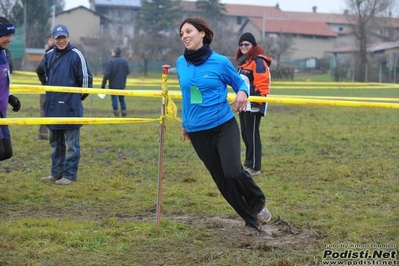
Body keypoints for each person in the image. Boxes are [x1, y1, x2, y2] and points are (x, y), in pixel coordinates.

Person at [176, 17, 271, 235]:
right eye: (182, 34)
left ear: (202, 33)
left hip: (222, 125)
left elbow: (240, 82)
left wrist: (241, 92)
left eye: (188, 31)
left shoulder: (219, 62)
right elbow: (188, 96)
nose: (185, 36)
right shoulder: (181, 63)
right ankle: (250, 221)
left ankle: (257, 200)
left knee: (233, 171)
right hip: (197, 131)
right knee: (221, 181)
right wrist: (185, 123)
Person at [40, 24, 92, 185]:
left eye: (63, 37)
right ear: (52, 39)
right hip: (53, 107)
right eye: (58, 38)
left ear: (68, 37)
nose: (61, 41)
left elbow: (86, 82)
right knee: (56, 143)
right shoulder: (48, 55)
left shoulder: (77, 55)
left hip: (70, 108)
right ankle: (56, 173)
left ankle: (69, 175)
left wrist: (74, 99)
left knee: (72, 145)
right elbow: (46, 76)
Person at [235, 32, 272, 176]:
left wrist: (257, 103)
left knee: (252, 134)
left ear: (253, 45)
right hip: (244, 104)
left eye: (246, 44)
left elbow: (262, 82)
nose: (243, 47)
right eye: (241, 44)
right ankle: (248, 164)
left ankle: (255, 167)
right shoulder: (245, 63)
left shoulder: (258, 61)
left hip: (254, 104)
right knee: (245, 134)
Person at [0, 17, 20, 161]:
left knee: (6, 152)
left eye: (11, 35)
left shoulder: (4, 54)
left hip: (1, 114)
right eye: (6, 35)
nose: (10, 39)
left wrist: (10, 97)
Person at [101, 46, 130, 117]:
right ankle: (124, 111)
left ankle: (116, 112)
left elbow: (107, 74)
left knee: (114, 98)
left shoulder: (110, 61)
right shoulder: (124, 60)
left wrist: (103, 84)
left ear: (114, 52)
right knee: (122, 98)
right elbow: (128, 71)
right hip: (122, 83)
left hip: (113, 84)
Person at [35, 35, 54, 140]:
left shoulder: (49, 53)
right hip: (59, 87)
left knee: (44, 109)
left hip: (47, 87)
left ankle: (43, 134)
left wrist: (45, 81)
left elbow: (39, 69)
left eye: (49, 40)